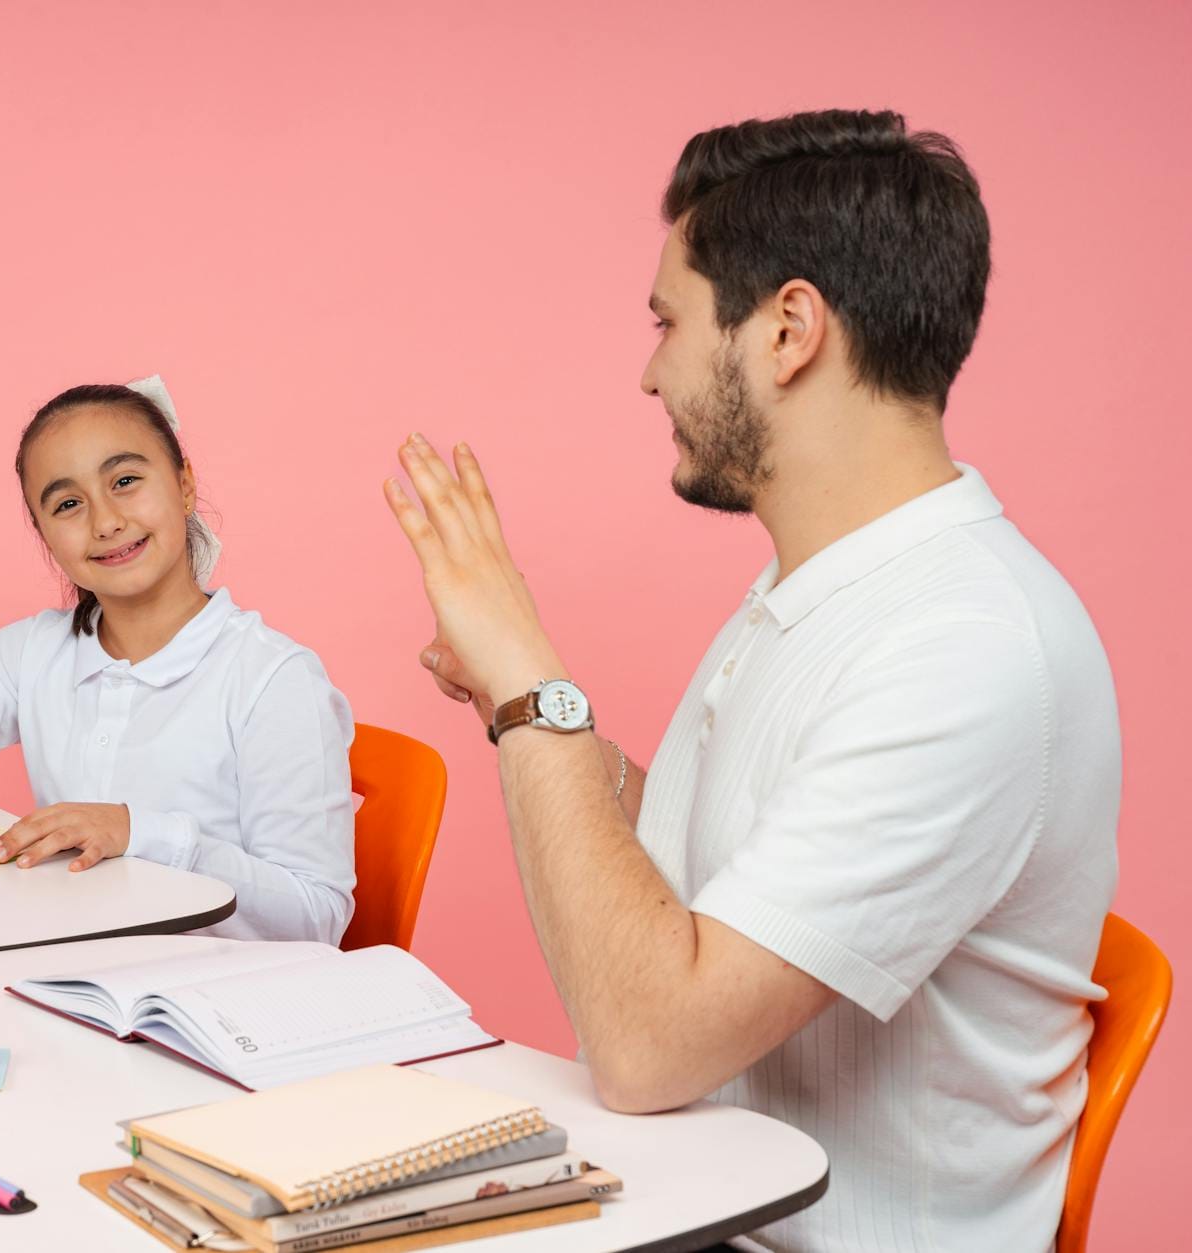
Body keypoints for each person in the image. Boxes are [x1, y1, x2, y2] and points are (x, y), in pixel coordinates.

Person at [385, 110, 1117, 1251]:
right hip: (681, 1204)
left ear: (786, 331)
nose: (647, 370)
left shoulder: (962, 645)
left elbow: (646, 1041)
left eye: (666, 319)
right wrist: (518, 710)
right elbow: (707, 863)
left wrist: (533, 684)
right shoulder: (825, 586)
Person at [0, 377, 356, 944]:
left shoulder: (272, 678)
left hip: (214, 1005)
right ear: (44, 535)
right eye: (68, 503)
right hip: (68, 978)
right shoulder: (31, 654)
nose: (105, 521)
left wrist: (139, 832)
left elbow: (316, 916)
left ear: (186, 484)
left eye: (126, 481)